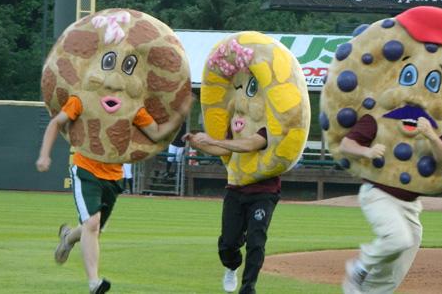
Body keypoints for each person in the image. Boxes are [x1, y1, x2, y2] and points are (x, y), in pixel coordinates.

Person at [36, 96, 190, 294]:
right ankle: (94, 283)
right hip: (85, 169)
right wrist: (44, 154)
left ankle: (68, 238)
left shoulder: (132, 106)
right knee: (92, 224)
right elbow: (56, 122)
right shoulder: (83, 98)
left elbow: (157, 132)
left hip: (113, 177)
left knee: (92, 229)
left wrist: (180, 114)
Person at [340, 116, 442, 294]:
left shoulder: (441, 123)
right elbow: (346, 145)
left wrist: (431, 135)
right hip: (378, 193)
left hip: (411, 204)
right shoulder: (379, 115)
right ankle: (360, 267)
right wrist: (367, 151)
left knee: (396, 268)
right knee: (398, 239)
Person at [184, 128, 280, 294]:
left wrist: (211, 139)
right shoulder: (237, 119)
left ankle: (248, 288)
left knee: (256, 241)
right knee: (228, 242)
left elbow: (250, 145)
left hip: (264, 191)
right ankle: (232, 266)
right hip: (236, 188)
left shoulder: (269, 125)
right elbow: (225, 148)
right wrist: (199, 144)